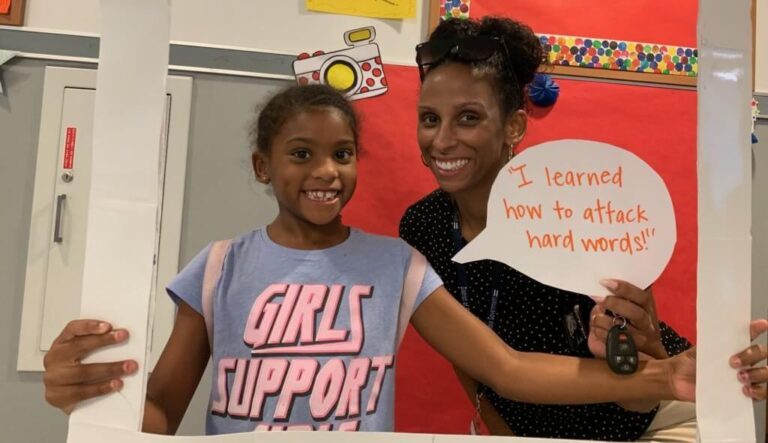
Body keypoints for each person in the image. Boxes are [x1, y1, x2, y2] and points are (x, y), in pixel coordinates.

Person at [43, 84, 701, 435]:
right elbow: (159, 404)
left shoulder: (397, 264)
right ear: (262, 166)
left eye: (342, 154)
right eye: (301, 154)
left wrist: (655, 378)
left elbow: (508, 367)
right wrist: (94, 400)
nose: (326, 171)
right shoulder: (218, 266)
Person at [400, 16, 768, 440]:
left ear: (513, 127)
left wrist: (654, 361)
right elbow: (474, 360)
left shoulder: (579, 209)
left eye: (467, 118)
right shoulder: (423, 228)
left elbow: (643, 391)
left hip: (651, 422)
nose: (442, 140)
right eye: (429, 119)